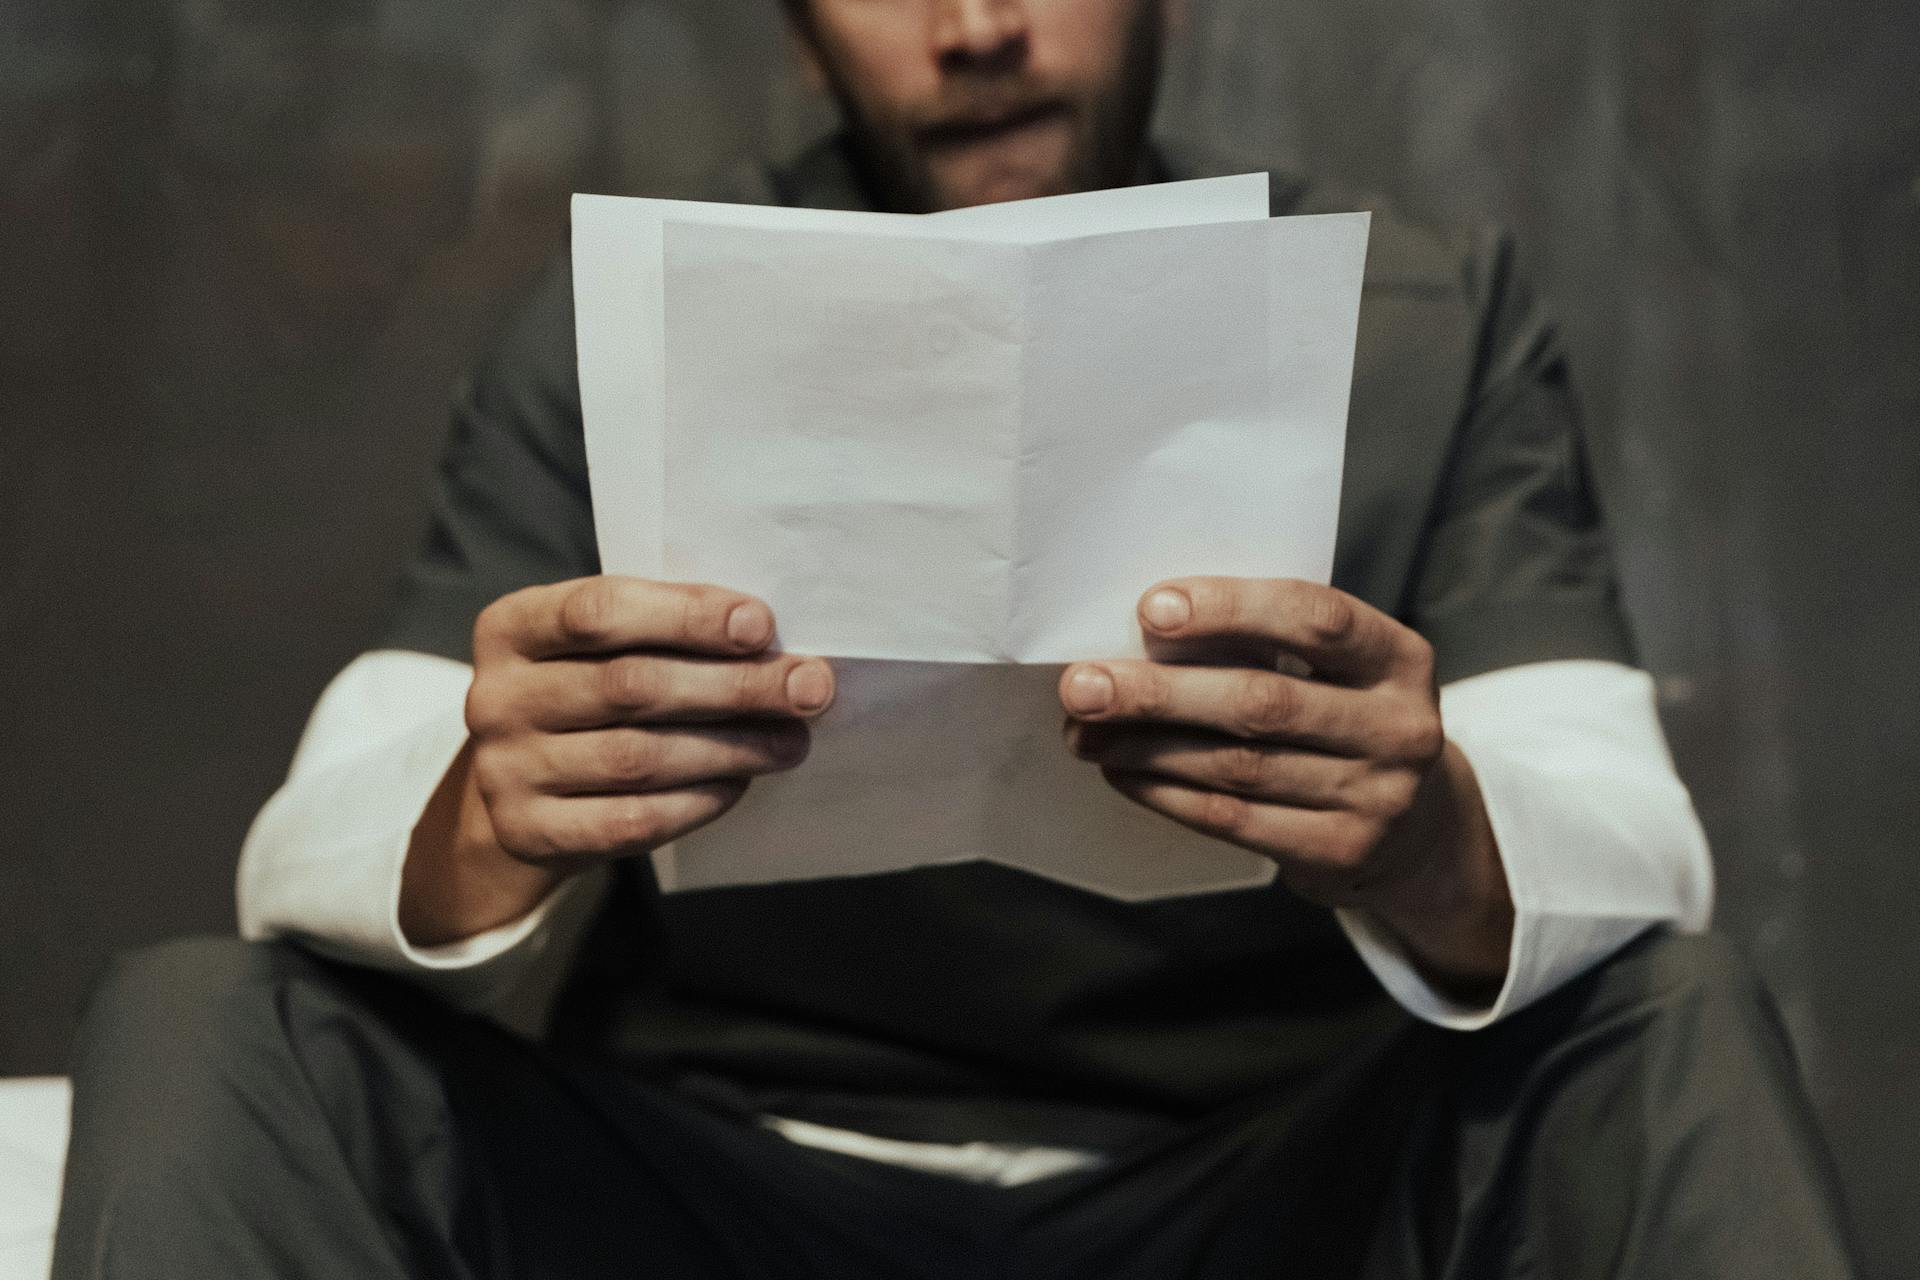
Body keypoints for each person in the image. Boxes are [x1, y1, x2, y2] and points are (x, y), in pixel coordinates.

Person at [53, 1, 1862, 1276]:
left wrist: (1434, 830)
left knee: (1669, 1016)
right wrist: (486, 810)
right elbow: (310, 841)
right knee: (205, 1016)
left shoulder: (1424, 312)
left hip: (1274, 1196)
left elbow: (1634, 836)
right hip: (717, 1196)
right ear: (798, 26)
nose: (977, 19)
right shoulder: (635, 325)